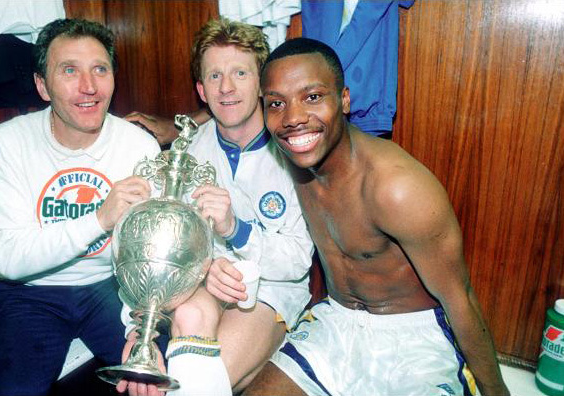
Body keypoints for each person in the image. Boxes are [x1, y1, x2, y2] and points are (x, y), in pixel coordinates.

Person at [246, 37, 510, 396]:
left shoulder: (396, 187)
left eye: (312, 97)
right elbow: (235, 117)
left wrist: (497, 391)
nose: (293, 118)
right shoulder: (291, 156)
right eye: (277, 103)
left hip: (414, 341)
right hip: (337, 324)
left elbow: (459, 298)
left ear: (344, 100)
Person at [117, 18, 314, 396]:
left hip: (270, 287)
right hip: (201, 283)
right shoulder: (185, 153)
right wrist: (139, 330)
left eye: (240, 72)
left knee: (195, 383)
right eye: (214, 76)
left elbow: (298, 260)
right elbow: (151, 251)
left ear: (260, 83)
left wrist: (235, 230)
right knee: (189, 319)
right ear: (201, 90)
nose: (226, 87)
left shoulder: (293, 148)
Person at [0, 18, 160, 396]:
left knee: (161, 382)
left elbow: (151, 258)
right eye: (69, 71)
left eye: (100, 69)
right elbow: (9, 259)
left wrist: (139, 327)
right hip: (29, 292)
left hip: (112, 287)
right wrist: (98, 219)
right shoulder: (9, 143)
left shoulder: (138, 147)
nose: (89, 87)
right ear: (42, 86)